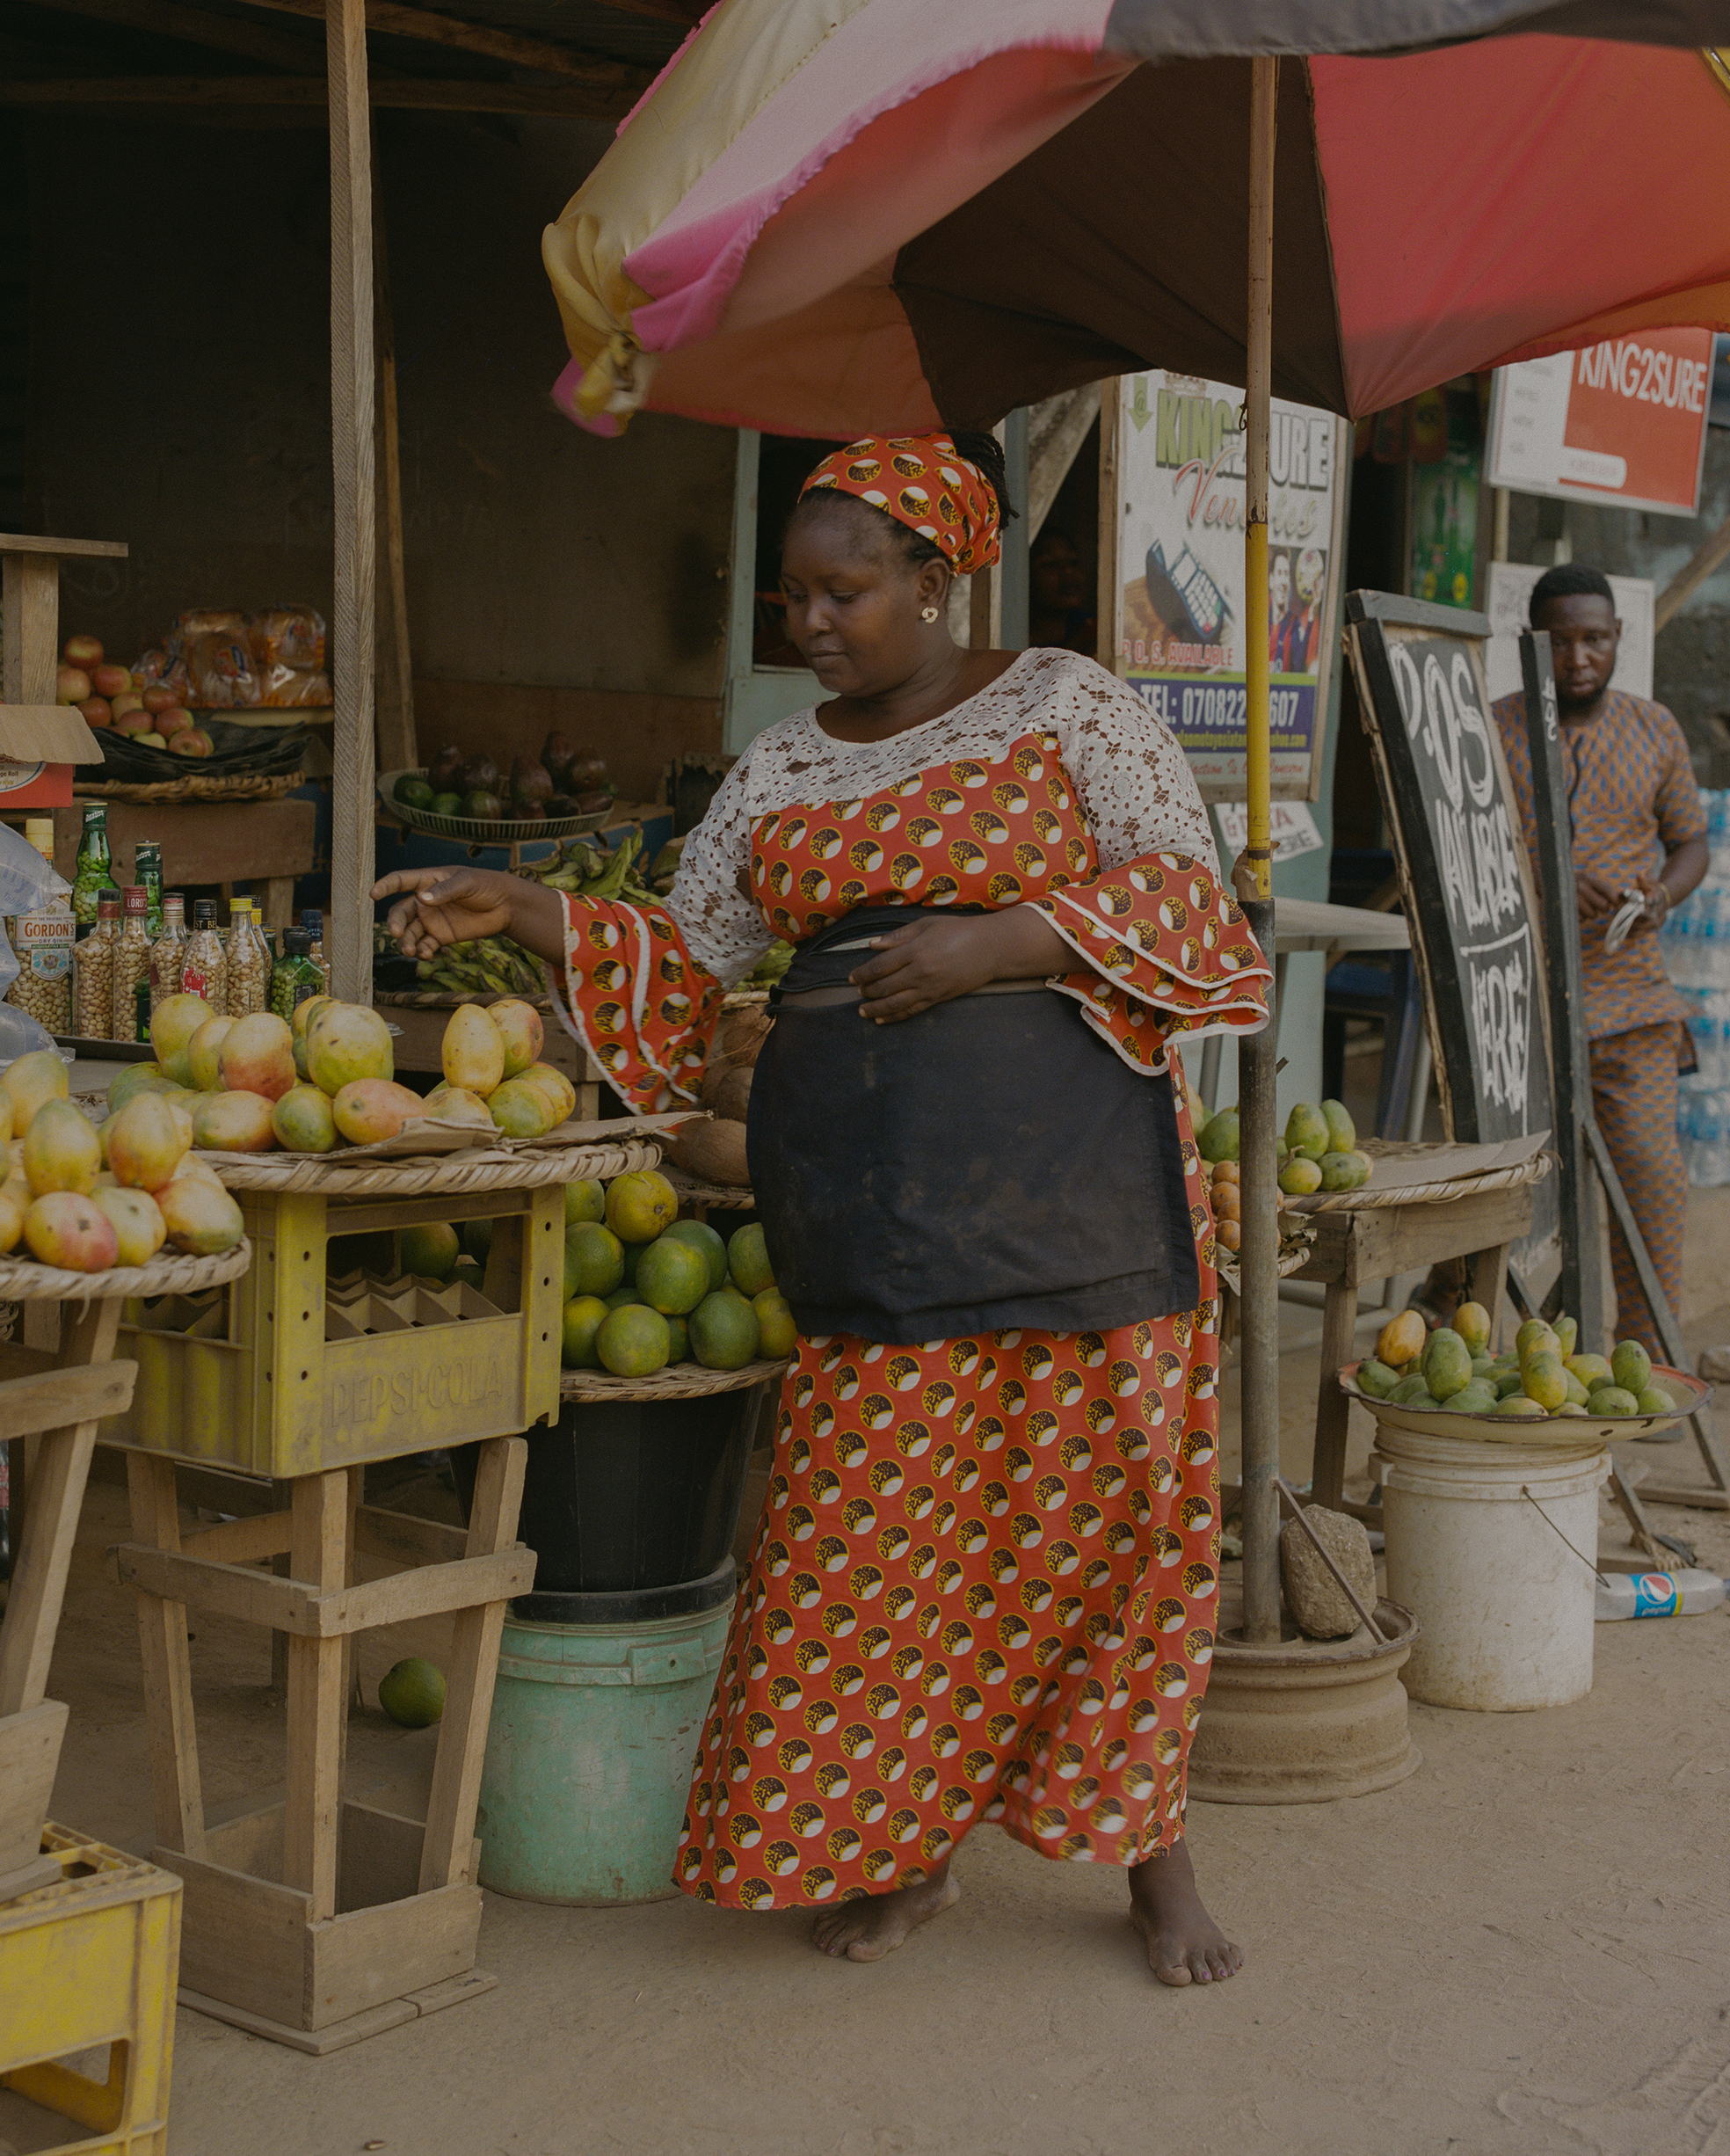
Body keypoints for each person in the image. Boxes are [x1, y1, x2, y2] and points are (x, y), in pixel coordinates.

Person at [374, 431, 1271, 1985]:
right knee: (881, 1550)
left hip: (1079, 1199)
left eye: (846, 590)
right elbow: (688, 952)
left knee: (1113, 1523)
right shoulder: (782, 766)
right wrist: (518, 905)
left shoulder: (1068, 704)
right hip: (871, 1212)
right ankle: (906, 1851)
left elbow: (1191, 898)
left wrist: (998, 946)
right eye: (791, 595)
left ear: (939, 578)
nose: (813, 621)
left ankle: (1154, 1856)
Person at [1492, 563, 1708, 1359]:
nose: (1578, 658)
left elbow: (1691, 841)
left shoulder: (1655, 729)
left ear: (1619, 639)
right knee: (1496, 1191)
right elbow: (1464, 850)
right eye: (1559, 641)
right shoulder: (1493, 729)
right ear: (1532, 642)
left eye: (1595, 639)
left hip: (1632, 1003)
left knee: (1651, 1178)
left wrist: (1662, 898)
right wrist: (1545, 874)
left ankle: (1648, 1358)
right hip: (1517, 1007)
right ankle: (1453, 1317)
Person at [1028, 527, 1096, 654]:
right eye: (1050, 564)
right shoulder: (1007, 641)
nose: (1068, 571)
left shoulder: (1094, 631)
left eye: (1073, 562)